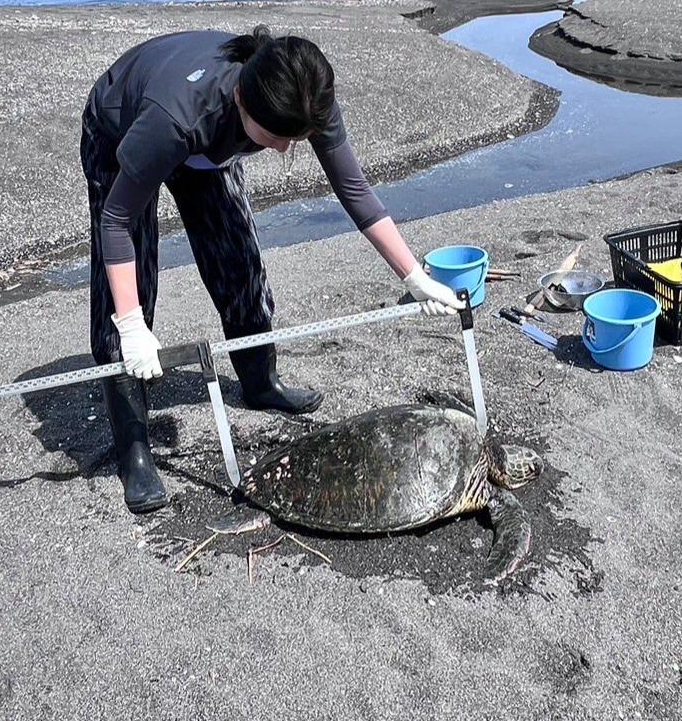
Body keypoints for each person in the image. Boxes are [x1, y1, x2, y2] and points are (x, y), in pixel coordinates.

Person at [80, 26, 464, 513]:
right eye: (277, 138)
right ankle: (133, 446)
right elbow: (116, 221)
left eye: (296, 138)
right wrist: (132, 327)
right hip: (124, 129)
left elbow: (355, 190)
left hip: (209, 147)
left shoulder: (303, 94)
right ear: (241, 99)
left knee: (241, 265)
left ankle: (260, 382)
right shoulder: (177, 117)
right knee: (126, 290)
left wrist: (413, 276)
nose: (285, 150)